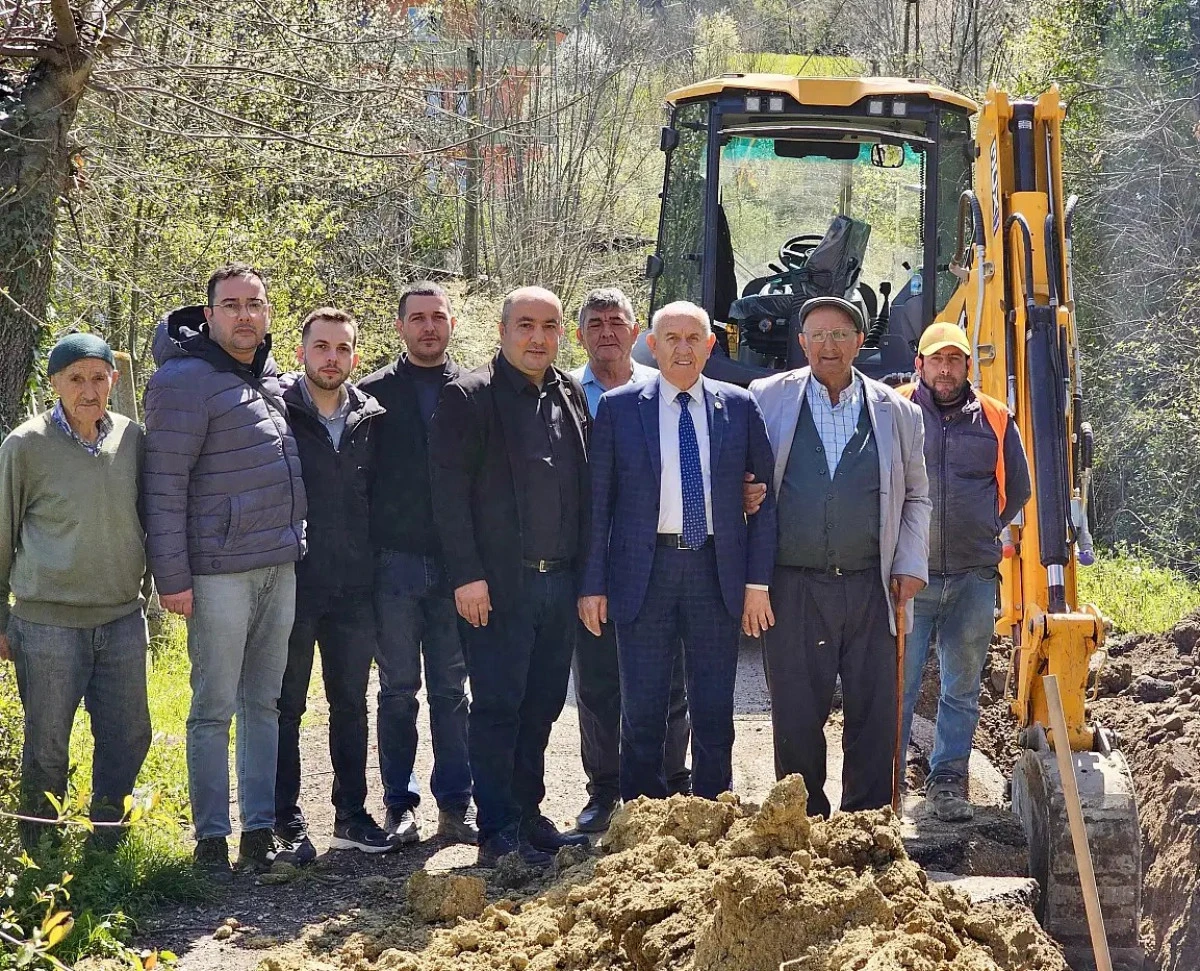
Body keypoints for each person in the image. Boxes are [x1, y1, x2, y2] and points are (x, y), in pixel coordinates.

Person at [143, 263, 307, 878]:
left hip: (278, 565)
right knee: (213, 706)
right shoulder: (183, 381)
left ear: (267, 314)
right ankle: (212, 839)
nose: (245, 314)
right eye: (232, 305)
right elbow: (163, 487)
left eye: (255, 304)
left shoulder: (268, 379)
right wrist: (173, 577)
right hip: (216, 573)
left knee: (263, 702)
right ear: (208, 315)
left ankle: (257, 832)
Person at [579, 300, 777, 801]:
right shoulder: (621, 408)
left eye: (694, 339)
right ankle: (641, 820)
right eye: (672, 338)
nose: (683, 349)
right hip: (644, 573)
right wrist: (593, 585)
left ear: (712, 346)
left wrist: (757, 584)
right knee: (641, 709)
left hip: (716, 570)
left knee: (713, 709)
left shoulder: (739, 405)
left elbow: (764, 498)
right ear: (653, 345)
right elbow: (598, 506)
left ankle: (714, 813)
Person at [429, 286, 591, 867]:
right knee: (498, 705)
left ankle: (528, 811)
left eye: (549, 326)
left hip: (559, 581)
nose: (538, 337)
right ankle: (496, 824)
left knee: (543, 703)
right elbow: (447, 499)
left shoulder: (569, 393)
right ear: (502, 331)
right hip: (497, 586)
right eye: (526, 325)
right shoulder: (468, 396)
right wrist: (467, 576)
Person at [750, 296, 930, 818]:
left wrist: (910, 565)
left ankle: (866, 824)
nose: (828, 346)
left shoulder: (899, 412)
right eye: (817, 336)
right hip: (793, 585)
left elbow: (917, 495)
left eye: (840, 336)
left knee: (874, 712)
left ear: (859, 343)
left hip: (872, 586)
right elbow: (740, 472)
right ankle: (803, 821)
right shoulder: (766, 398)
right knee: (796, 712)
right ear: (801, 343)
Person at [0, 335, 152, 853]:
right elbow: (2, 532)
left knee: (129, 736)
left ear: (114, 379)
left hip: (122, 619)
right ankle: (40, 857)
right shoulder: (26, 445)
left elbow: (150, 519)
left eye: (98, 377)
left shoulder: (133, 439)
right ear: (55, 384)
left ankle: (104, 846)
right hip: (46, 624)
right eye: (76, 378)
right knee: (47, 748)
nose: (89, 389)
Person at [567, 288, 692, 832]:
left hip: (658, 564)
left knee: (669, 683)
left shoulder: (661, 389)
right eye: (595, 324)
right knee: (596, 685)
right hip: (591, 560)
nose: (606, 333)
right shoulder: (565, 392)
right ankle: (605, 791)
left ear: (637, 332)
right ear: (581, 334)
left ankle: (667, 787)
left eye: (616, 323)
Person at [897, 322, 1031, 821]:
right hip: (911, 577)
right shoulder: (897, 410)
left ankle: (948, 782)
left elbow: (1018, 487)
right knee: (897, 684)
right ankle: (884, 783)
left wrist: (986, 530)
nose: (946, 369)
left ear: (968, 366)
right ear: (921, 365)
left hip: (974, 578)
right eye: (938, 360)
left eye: (955, 360)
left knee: (962, 686)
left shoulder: (995, 418)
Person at [359, 283, 476, 846]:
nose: (429, 327)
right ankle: (398, 805)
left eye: (438, 317)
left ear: (451, 324)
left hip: (458, 568)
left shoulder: (475, 390)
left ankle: (456, 803)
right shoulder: (372, 395)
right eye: (418, 319)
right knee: (398, 690)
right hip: (395, 566)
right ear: (401, 327)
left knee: (453, 689)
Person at [275, 308, 393, 860]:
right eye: (320, 347)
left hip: (354, 587)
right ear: (301, 353)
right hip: (293, 583)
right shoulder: (279, 412)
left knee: (351, 703)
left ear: (355, 356)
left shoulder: (372, 417)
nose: (331, 358)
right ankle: (285, 820)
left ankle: (350, 813)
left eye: (342, 349)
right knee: (286, 705)